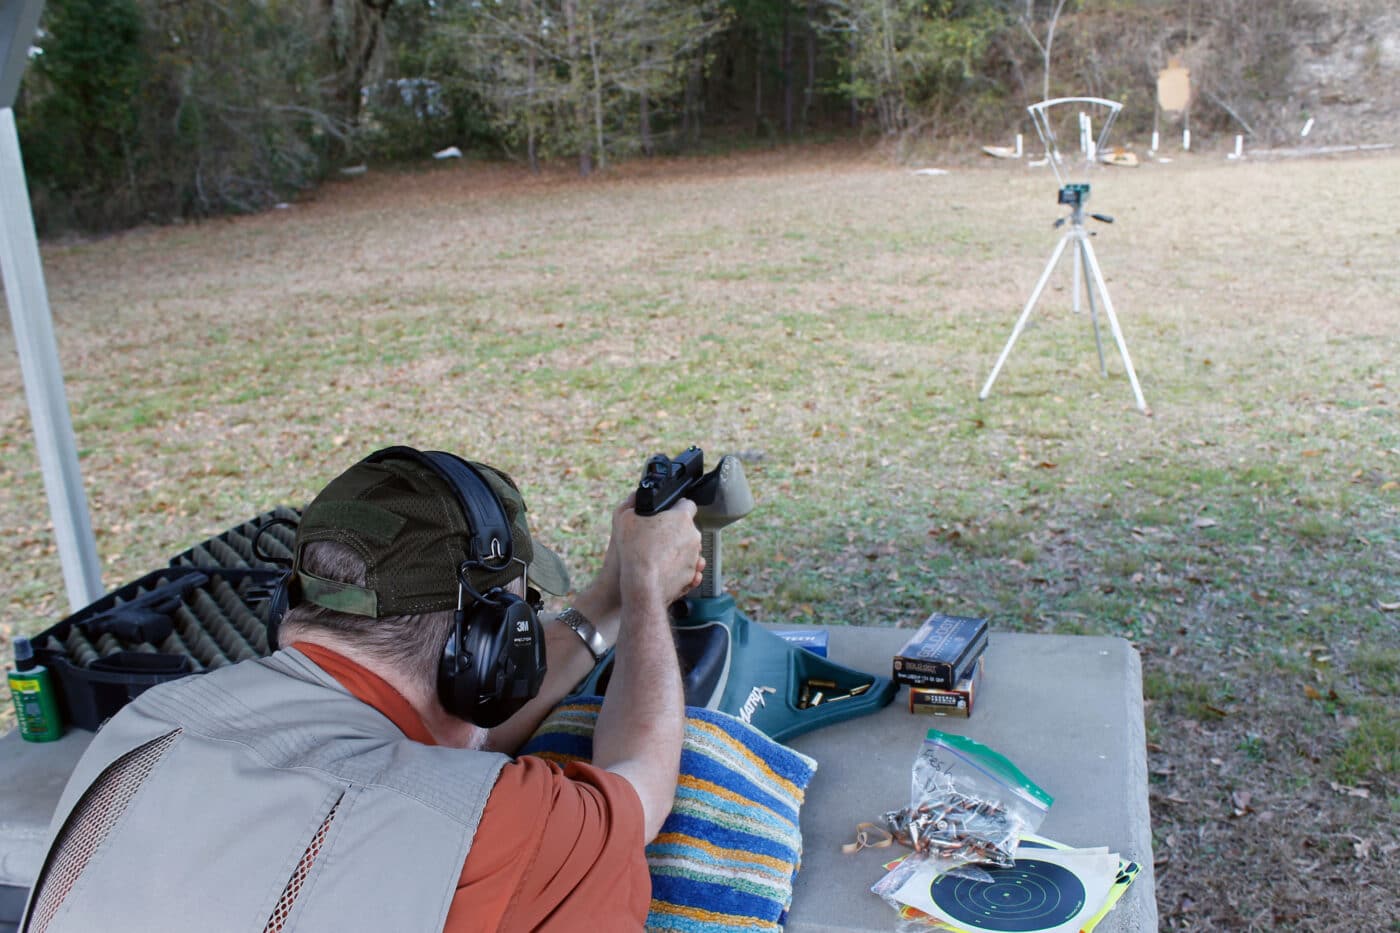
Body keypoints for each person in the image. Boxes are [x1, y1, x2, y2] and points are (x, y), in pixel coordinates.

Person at [22, 446, 704, 933]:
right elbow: (639, 776)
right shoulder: (499, 828)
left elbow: (430, 728)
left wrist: (605, 602)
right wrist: (646, 589)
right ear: (488, 656)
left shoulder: (144, 727)